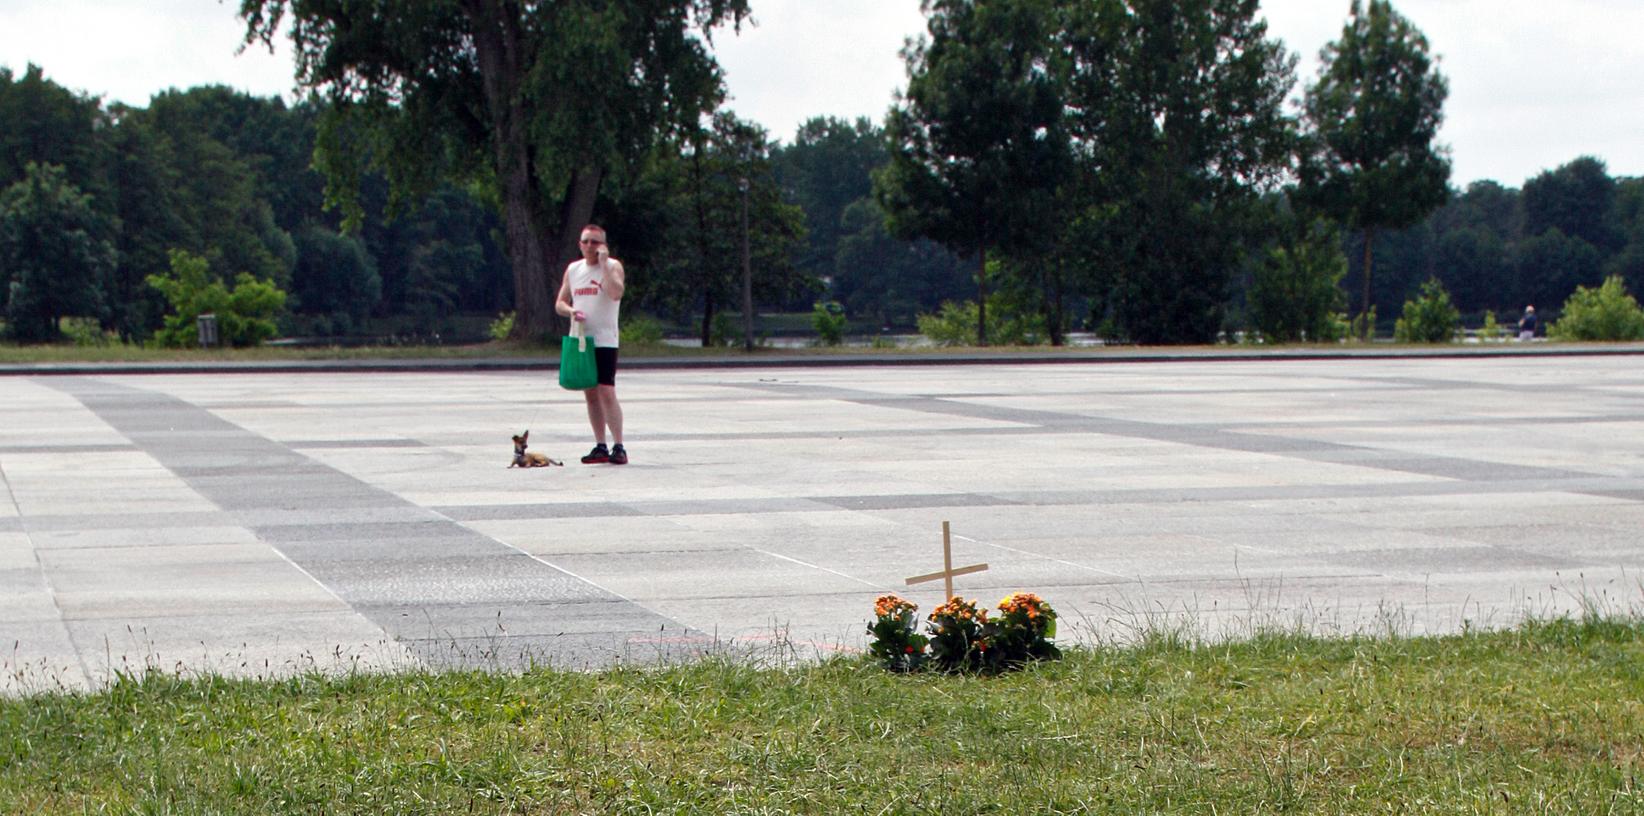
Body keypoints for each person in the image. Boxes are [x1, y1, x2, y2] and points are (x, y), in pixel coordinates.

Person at [556, 224, 628, 465]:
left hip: (605, 339)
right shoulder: (573, 270)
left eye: (595, 242)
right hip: (581, 339)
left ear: (603, 245)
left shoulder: (613, 267)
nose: (590, 246)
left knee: (606, 390)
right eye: (586, 241)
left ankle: (619, 445)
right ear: (580, 244)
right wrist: (571, 311)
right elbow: (560, 302)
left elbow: (616, 293)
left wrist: (605, 266)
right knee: (590, 393)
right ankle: (600, 444)